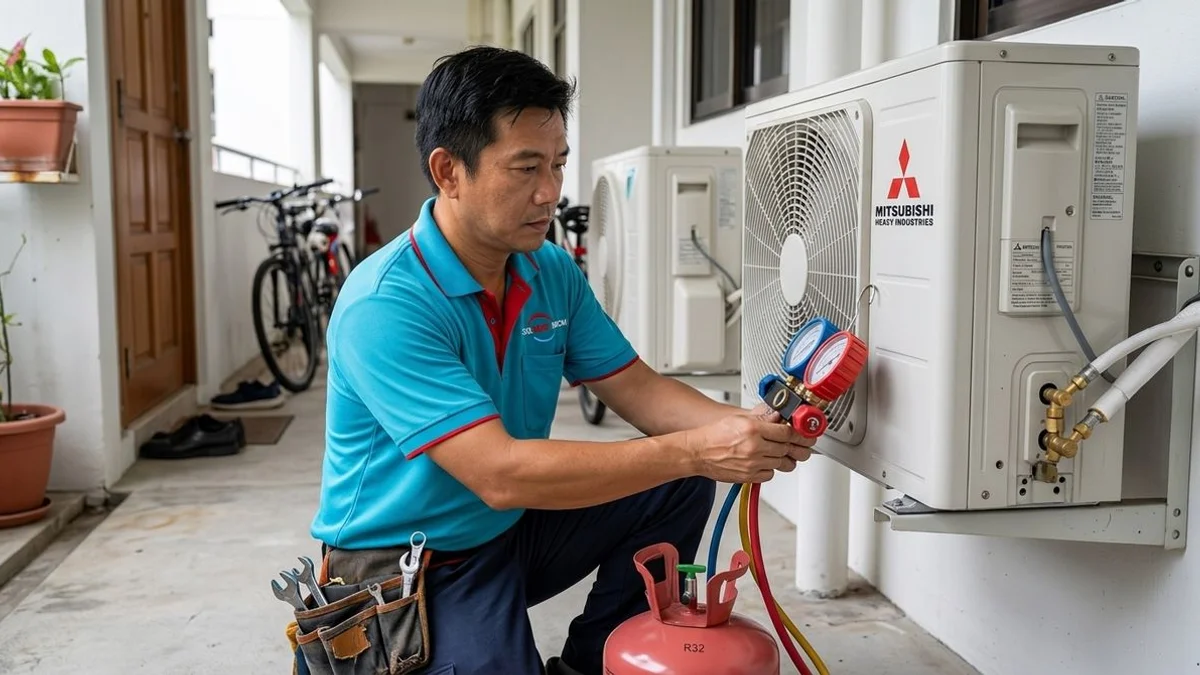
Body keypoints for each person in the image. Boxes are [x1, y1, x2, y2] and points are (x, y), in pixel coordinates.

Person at [306, 45, 814, 675]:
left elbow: (637, 387)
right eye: (524, 169)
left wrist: (739, 429)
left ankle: (588, 664)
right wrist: (697, 449)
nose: (550, 193)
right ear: (448, 171)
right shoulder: (386, 303)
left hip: (506, 532)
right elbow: (499, 473)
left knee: (680, 477)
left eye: (558, 164)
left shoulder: (546, 269)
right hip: (406, 567)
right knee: (685, 458)